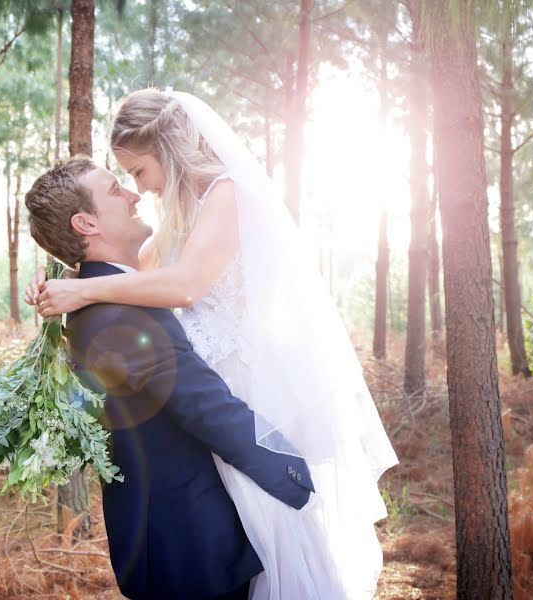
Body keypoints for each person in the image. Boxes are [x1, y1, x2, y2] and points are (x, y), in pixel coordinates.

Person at [27, 89, 399, 599]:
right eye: (124, 183)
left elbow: (173, 283)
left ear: (166, 147)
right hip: (216, 459)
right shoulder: (125, 288)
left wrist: (79, 285)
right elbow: (147, 287)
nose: (137, 191)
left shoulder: (217, 199)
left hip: (248, 401)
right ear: (87, 221)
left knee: (280, 557)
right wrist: (69, 281)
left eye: (136, 173)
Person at [24, 155, 315, 600]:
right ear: (86, 223)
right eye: (115, 190)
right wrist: (292, 470)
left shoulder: (92, 296)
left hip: (175, 542)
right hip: (189, 549)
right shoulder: (116, 315)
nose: (134, 193)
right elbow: (203, 405)